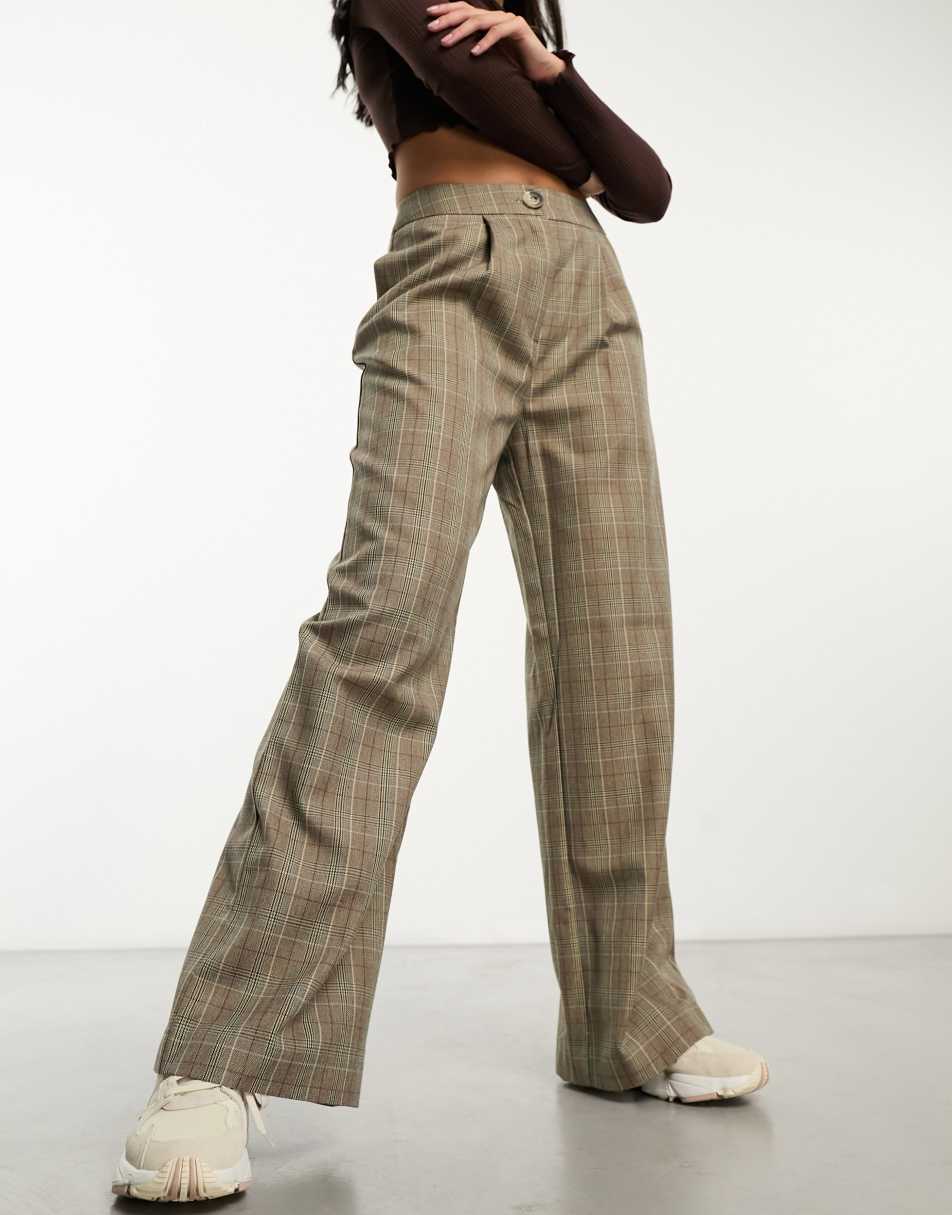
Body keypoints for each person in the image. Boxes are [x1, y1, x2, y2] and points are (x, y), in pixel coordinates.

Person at [112, 0, 768, 1202]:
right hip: (451, 267)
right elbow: (513, 112)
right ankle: (223, 1052)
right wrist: (558, 114)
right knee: (380, 635)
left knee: (617, 649)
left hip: (587, 291)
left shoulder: (524, 18)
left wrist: (547, 67)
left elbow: (645, 190)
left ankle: (629, 1018)